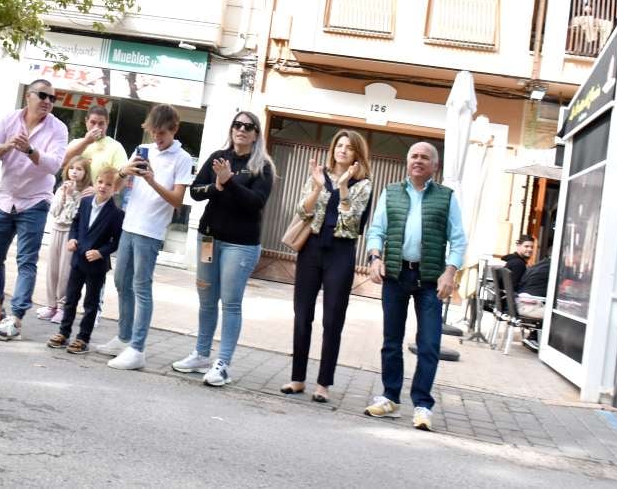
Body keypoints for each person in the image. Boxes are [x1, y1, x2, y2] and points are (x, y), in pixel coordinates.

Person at [363, 142, 467, 431]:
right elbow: (376, 230)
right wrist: (374, 258)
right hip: (396, 276)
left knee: (429, 345)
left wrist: (450, 271)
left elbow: (458, 239)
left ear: (435, 166)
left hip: (431, 281)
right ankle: (390, 398)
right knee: (391, 342)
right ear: (407, 162)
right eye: (414, 156)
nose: (418, 161)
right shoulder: (391, 192)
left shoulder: (447, 198)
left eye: (425, 157)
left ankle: (422, 405)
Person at [172, 111, 275, 387]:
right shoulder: (219, 156)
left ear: (256, 134)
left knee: (230, 303)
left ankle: (223, 364)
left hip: (239, 245)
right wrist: (217, 186)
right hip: (208, 238)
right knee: (206, 299)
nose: (241, 129)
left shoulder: (262, 166)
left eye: (248, 126)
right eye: (237, 125)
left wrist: (228, 182)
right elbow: (195, 191)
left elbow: (255, 202)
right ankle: (202, 355)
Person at [0, 79, 68, 341]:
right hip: (5, 199)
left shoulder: (58, 129)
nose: (48, 101)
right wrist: (7, 146)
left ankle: (17, 318)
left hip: (35, 202)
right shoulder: (9, 120)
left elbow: (54, 165)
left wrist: (30, 150)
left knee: (26, 261)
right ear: (29, 96)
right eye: (43, 95)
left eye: (52, 98)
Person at [98, 103, 193, 370]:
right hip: (130, 223)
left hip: (151, 230)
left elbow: (177, 201)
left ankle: (137, 348)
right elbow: (115, 189)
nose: (156, 138)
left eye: (161, 133)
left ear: (173, 129)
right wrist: (122, 172)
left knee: (141, 287)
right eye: (152, 132)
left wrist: (151, 180)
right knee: (120, 281)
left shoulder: (182, 158)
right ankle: (124, 337)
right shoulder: (144, 151)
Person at [280, 130, 372, 403]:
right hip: (311, 249)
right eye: (339, 145)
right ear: (333, 150)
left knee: (333, 319)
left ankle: (323, 384)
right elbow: (303, 211)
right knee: (302, 314)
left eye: (349, 147)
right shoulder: (319, 175)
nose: (342, 150)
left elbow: (352, 224)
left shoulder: (363, 184)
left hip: (340, 253)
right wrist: (319, 186)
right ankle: (298, 379)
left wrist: (343, 187)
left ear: (357, 154)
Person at [47, 166, 124, 355]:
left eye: (109, 184)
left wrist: (101, 252)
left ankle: (83, 338)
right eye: (100, 182)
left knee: (90, 303)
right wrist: (72, 238)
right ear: (95, 182)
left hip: (96, 265)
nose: (103, 187)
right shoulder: (86, 202)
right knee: (71, 299)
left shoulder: (116, 213)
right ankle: (63, 332)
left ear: (115, 189)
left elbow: (117, 241)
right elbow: (76, 223)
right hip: (78, 259)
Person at [38, 155, 90, 322]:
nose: (74, 172)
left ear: (85, 173)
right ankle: (51, 305)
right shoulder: (61, 188)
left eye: (79, 169)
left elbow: (73, 215)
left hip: (71, 234)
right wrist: (64, 194)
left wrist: (71, 196)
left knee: (65, 272)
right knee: (52, 269)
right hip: (56, 230)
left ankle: (63, 307)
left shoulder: (85, 193)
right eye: (72, 168)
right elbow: (54, 211)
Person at [62, 103, 128, 189]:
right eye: (92, 123)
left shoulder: (116, 147)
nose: (96, 127)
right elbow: (62, 163)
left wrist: (98, 189)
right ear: (86, 121)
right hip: (71, 193)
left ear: (107, 123)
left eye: (101, 124)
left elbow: (121, 177)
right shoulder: (76, 143)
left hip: (97, 196)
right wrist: (86, 142)